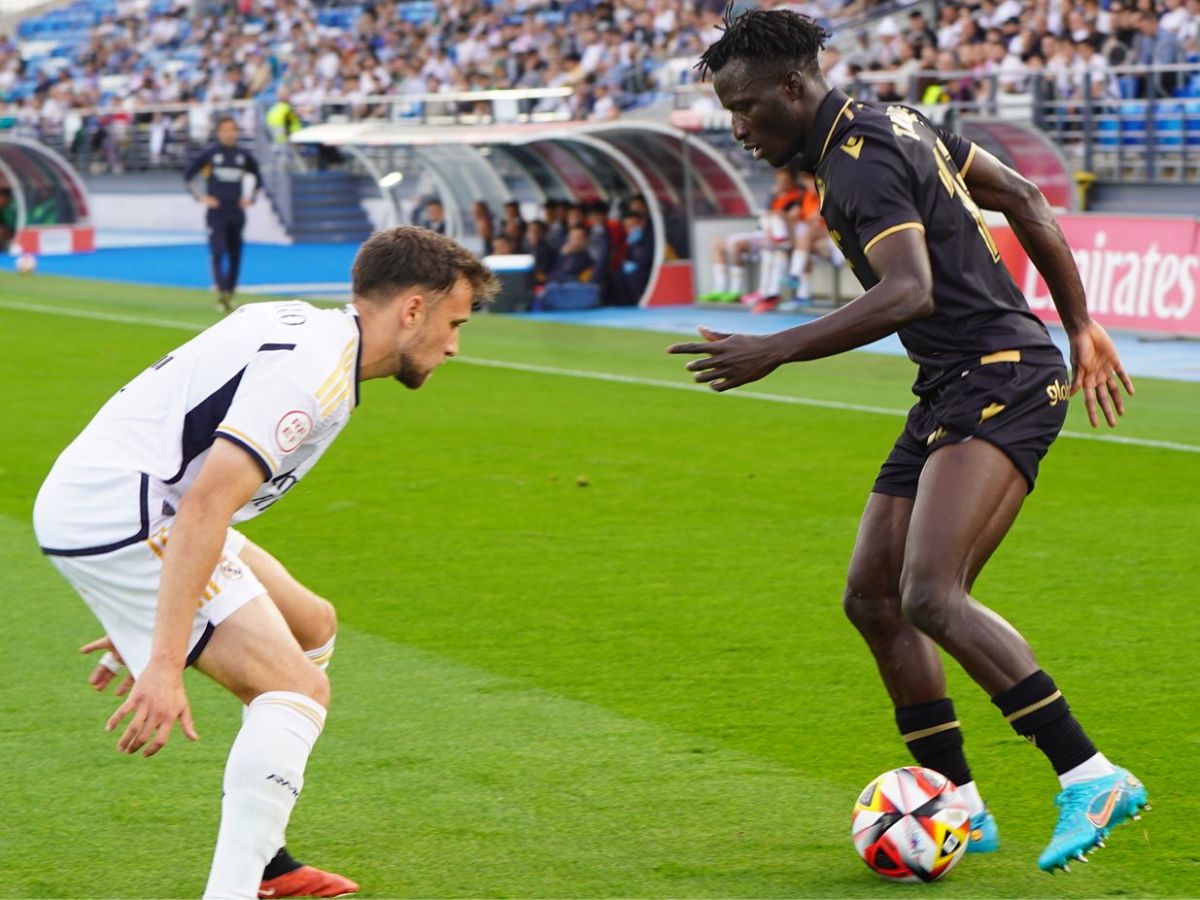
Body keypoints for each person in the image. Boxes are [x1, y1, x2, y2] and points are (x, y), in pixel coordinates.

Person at [670, 9, 1146, 874]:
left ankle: (1091, 772)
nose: (737, 128)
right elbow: (1025, 198)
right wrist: (1081, 326)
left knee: (931, 594)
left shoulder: (862, 165)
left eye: (744, 107)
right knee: (872, 597)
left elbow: (908, 293)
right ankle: (956, 798)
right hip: (956, 384)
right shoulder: (896, 121)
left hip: (1000, 378)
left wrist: (774, 348)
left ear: (792, 87)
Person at [34, 227, 499, 898]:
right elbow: (201, 509)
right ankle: (233, 889)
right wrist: (163, 658)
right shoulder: (313, 376)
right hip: (128, 512)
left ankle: (269, 863)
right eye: (454, 322)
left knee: (312, 625)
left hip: (125, 502)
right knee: (298, 690)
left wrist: (155, 599)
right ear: (412, 311)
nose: (455, 343)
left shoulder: (315, 338)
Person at [183, 116, 263, 313]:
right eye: (225, 130)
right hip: (217, 212)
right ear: (219, 132)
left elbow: (259, 178)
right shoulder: (211, 154)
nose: (229, 133)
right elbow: (188, 176)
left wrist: (250, 198)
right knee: (218, 251)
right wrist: (201, 197)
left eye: (232, 129)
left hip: (236, 211)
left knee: (236, 254)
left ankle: (230, 291)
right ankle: (221, 291)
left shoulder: (242, 156)